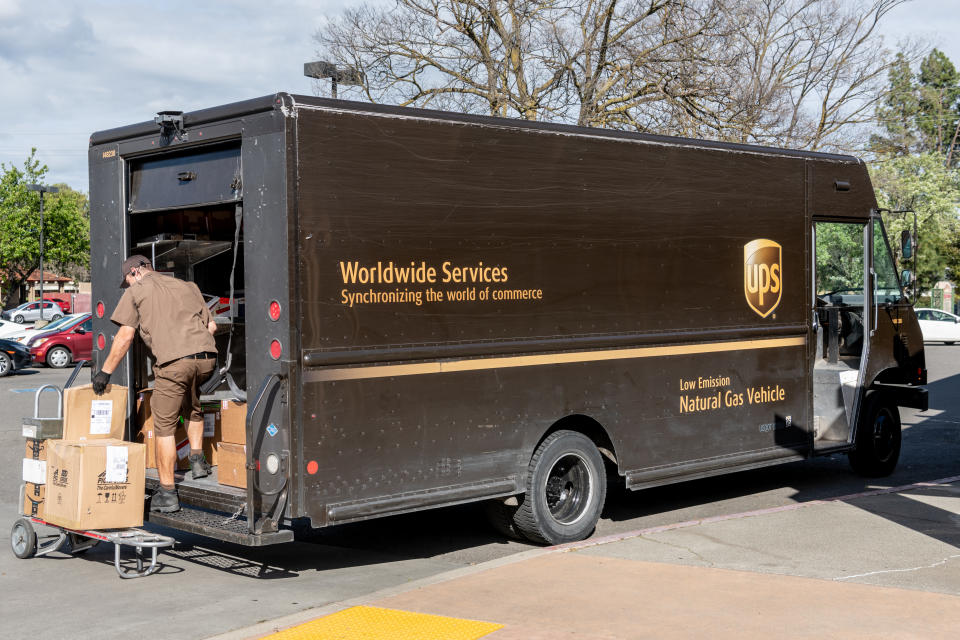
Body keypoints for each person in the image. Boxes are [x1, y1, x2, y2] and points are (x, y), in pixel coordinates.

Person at [93, 255, 218, 513]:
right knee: (192, 404)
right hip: (206, 359)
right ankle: (197, 461)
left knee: (165, 426)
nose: (127, 285)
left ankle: (168, 493)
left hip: (174, 364)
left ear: (136, 272)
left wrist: (104, 372)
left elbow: (126, 336)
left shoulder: (137, 290)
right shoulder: (188, 286)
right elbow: (212, 326)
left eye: (127, 280)